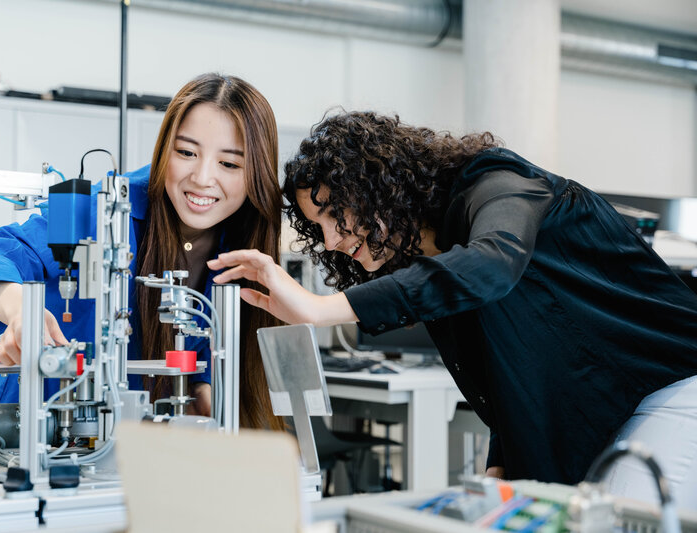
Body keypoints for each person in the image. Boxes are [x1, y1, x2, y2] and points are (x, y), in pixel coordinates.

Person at [209, 110, 697, 506]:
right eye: (320, 229)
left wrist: (318, 308)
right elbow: (516, 371)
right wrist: (498, 467)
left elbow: (493, 266)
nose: (333, 241)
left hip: (674, 386)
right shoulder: (439, 263)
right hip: (614, 410)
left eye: (337, 214)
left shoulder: (498, 185)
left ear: (376, 183)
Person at [0, 73, 284, 430]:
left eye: (229, 163)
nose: (201, 177)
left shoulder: (240, 249)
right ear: (165, 148)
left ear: (256, 174)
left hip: (135, 445)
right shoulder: (102, 212)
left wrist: (217, 420)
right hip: (31, 434)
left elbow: (201, 373)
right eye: (186, 152)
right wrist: (19, 310)